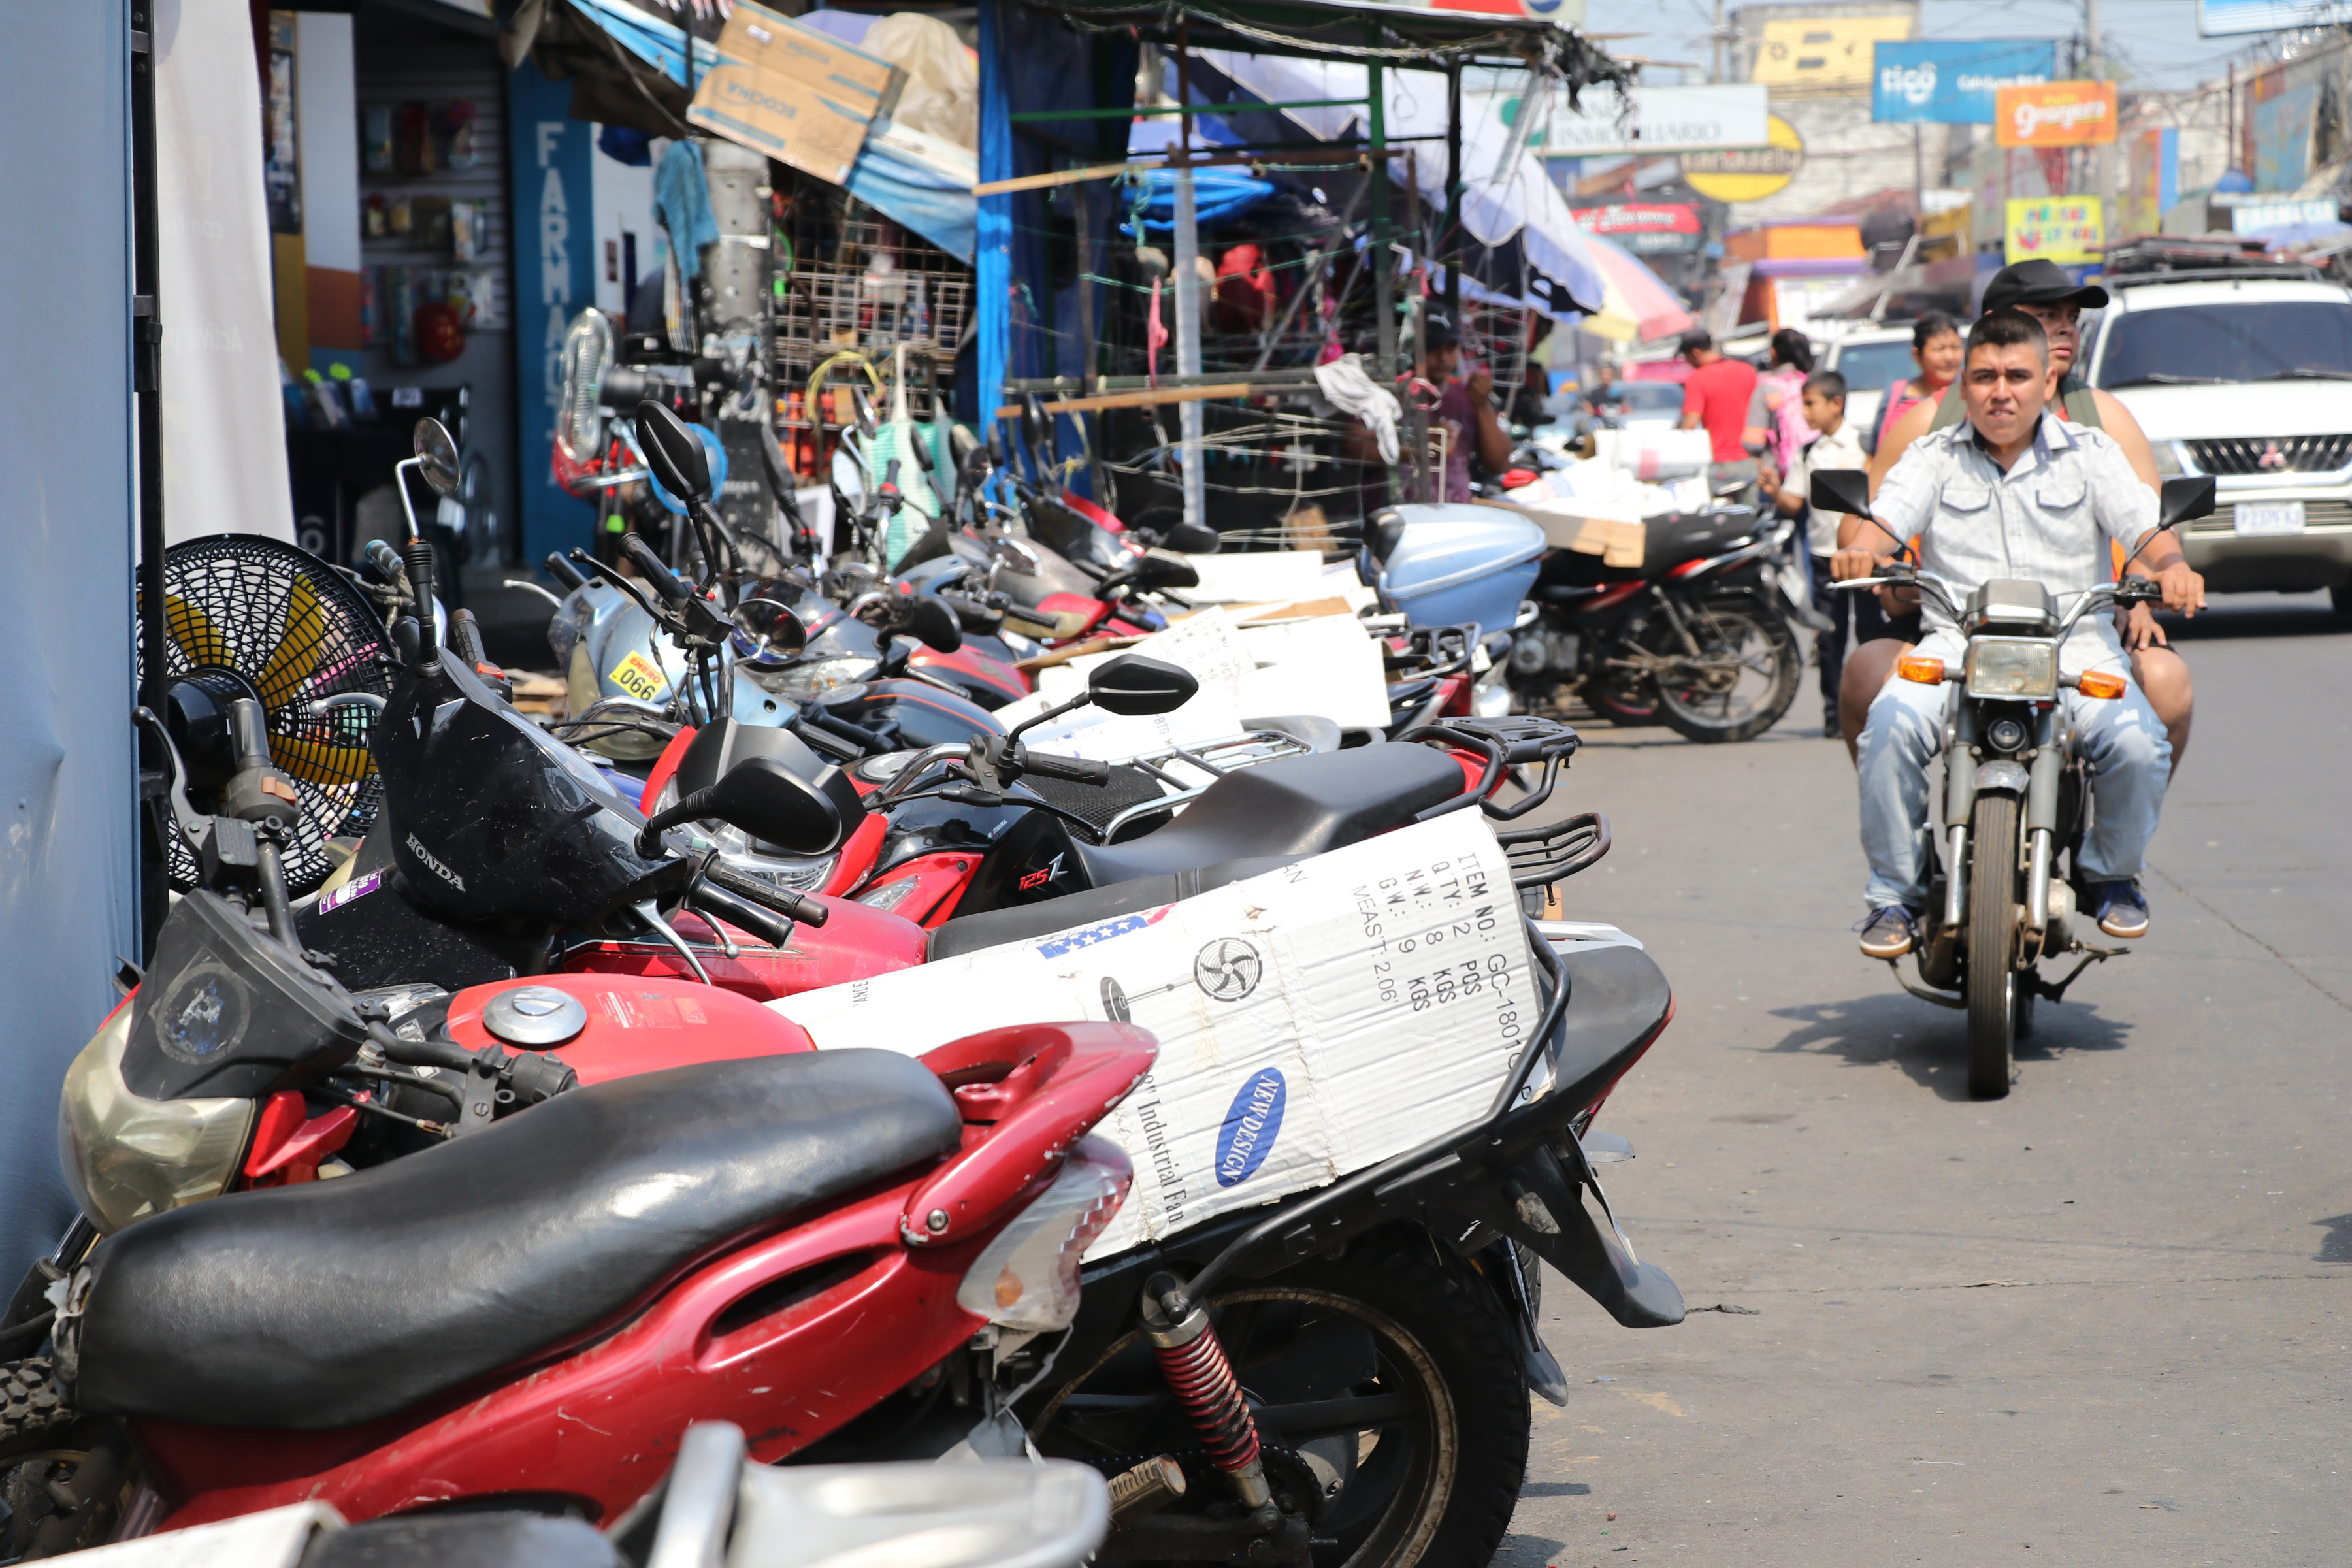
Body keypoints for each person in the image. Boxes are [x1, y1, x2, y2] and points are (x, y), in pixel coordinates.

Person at [1838, 309, 2204, 959]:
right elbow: (1884, 518)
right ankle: (1894, 893)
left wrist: (2173, 569)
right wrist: (1863, 550)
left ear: (2047, 378)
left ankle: (2111, 873)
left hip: (2074, 644)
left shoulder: (2092, 455)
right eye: (1983, 377)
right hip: (1956, 646)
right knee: (1889, 723)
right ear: (1964, 387)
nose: (1999, 391)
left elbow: (2143, 528)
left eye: (2016, 375)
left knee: (2139, 744)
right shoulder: (1933, 456)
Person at [1842, 262, 2196, 768]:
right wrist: (1880, 568)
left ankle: (2121, 833)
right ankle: (1908, 834)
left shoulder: (2103, 420)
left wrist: (2143, 590)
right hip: (1950, 617)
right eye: (2046, 315)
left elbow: (2148, 523)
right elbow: (1872, 522)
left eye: (2070, 318)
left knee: (2165, 689)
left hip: (2083, 617)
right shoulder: (1928, 425)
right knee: (1864, 679)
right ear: (1997, 326)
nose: (2064, 330)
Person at [1757, 369, 1868, 737]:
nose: (1805, 412)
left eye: (1810, 404)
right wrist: (1774, 490)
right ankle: (1835, 714)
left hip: (1865, 557)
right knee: (1831, 639)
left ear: (1836, 404)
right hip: (1824, 559)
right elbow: (1794, 503)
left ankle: (1871, 709)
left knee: (1870, 635)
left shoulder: (1865, 448)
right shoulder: (1809, 452)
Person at [1421, 310, 1512, 504]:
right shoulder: (1393, 396)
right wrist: (1420, 443)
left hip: (1456, 513)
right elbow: (1353, 447)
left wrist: (1482, 405)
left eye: (1451, 347)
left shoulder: (1467, 395)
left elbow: (1500, 463)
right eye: (1433, 347)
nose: (1443, 357)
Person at [1674, 327, 1762, 484]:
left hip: (1718, 462)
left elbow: (1691, 423)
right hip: (1751, 459)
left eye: (1685, 357)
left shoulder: (1697, 379)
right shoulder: (1747, 371)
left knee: (1717, 509)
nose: (1687, 362)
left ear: (1695, 353)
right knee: (1750, 509)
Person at [1875, 312, 1963, 449]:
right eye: (1940, 349)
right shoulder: (1895, 396)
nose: (1949, 357)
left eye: (1955, 348)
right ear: (1917, 355)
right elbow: (1874, 456)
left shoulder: (1969, 397)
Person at [1750, 327, 1817, 474]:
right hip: (1815, 465)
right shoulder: (1816, 384)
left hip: (1780, 474)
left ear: (1773, 352)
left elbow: (1752, 443)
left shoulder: (1767, 389)